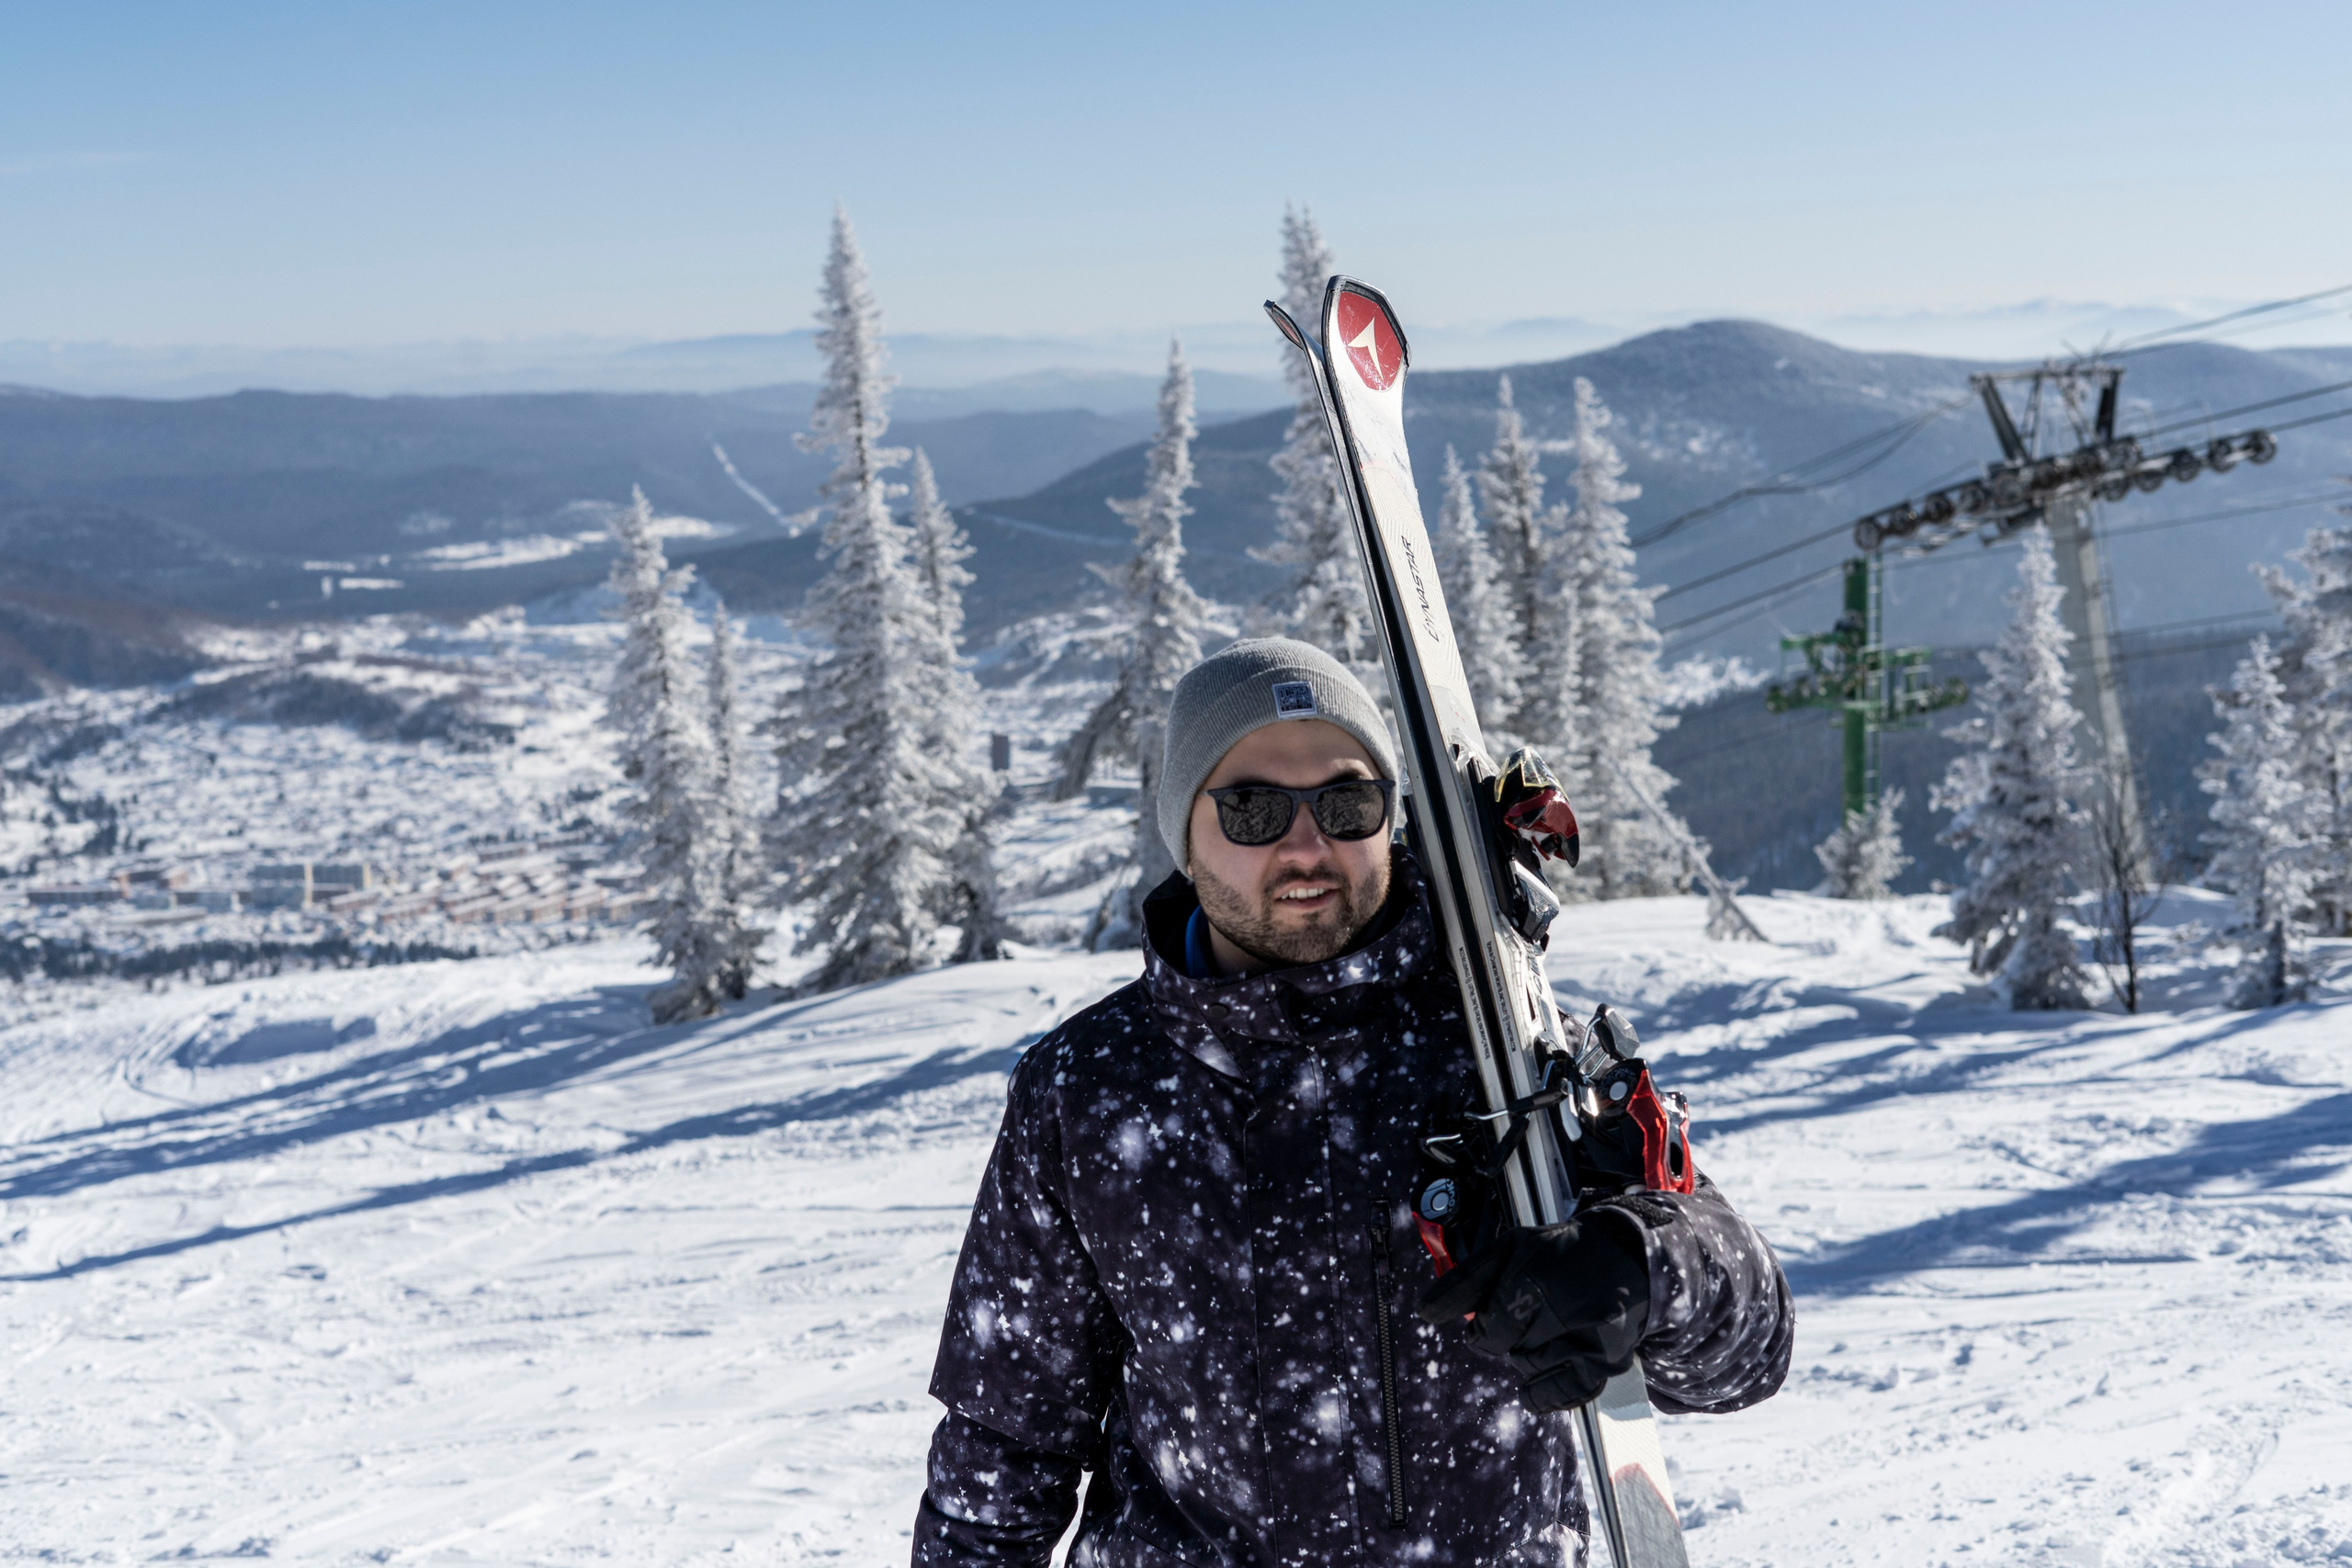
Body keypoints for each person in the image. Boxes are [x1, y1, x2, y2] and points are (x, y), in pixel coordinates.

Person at [914, 638, 1791, 1566]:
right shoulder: (1088, 1091)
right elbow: (1003, 1445)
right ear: (1184, 829)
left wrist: (1641, 1269)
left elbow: (1750, 1352)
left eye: (1346, 802)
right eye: (1250, 808)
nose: (1305, 845)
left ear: (1388, 816)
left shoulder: (1511, 1048)